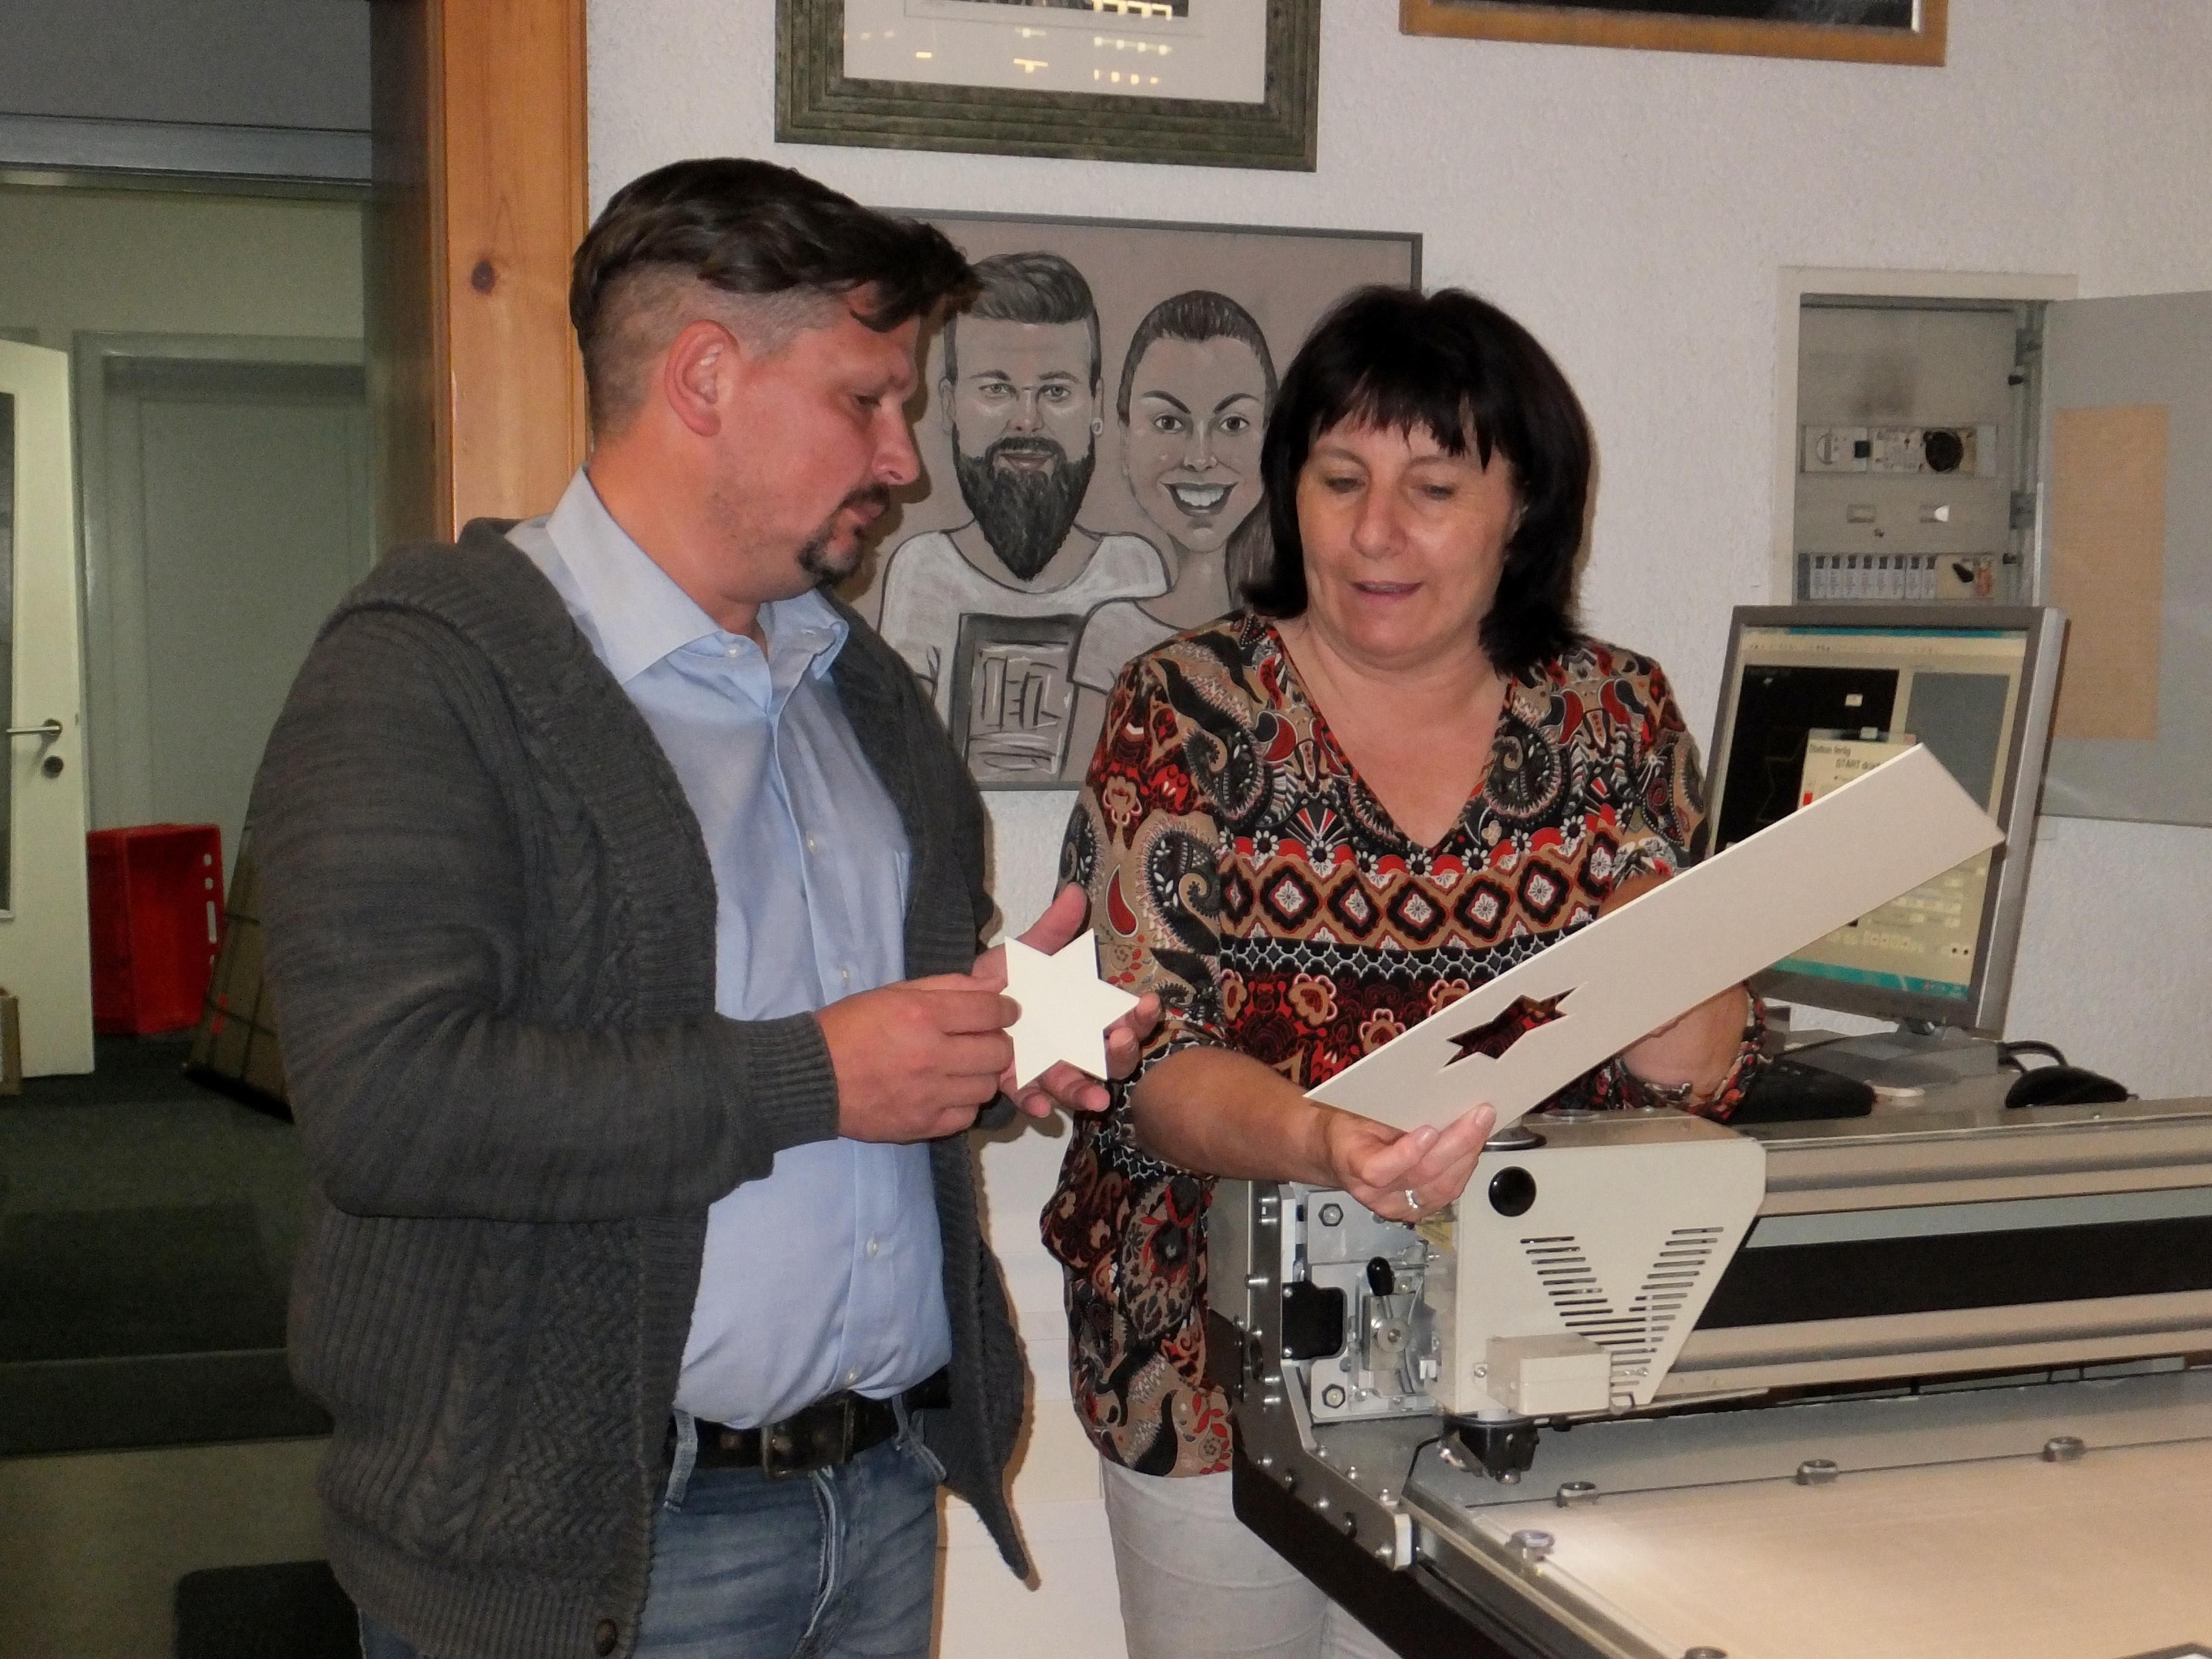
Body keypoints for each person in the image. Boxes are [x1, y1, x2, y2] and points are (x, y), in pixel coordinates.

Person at [251, 157, 1153, 1659]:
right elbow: (389, 1102)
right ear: (705, 377)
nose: (903, 459)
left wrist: (992, 1039)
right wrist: (821, 1073)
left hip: (879, 1498)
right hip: (588, 1556)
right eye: (865, 399)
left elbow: (863, 1035)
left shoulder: (856, 685)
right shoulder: (427, 669)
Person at [1042, 285, 1764, 1659]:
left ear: (1521, 509)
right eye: (1339, 480)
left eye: (1431, 489)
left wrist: (1674, 946)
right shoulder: (1188, 706)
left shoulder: (1612, 714)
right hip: (1213, 1357)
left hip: (1530, 1355)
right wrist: (1327, 1139)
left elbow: (1685, 1081)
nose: (1375, 531)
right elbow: (1145, 1061)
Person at [875, 251, 1168, 784]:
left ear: (1095, 404)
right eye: (996, 389)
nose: (1027, 421)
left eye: (1056, 391)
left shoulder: (1133, 571)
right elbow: (897, 775)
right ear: (950, 404)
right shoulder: (924, 572)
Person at [1067, 289, 1276, 778]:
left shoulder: (1306, 631)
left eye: (1233, 423)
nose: (1200, 457)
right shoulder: (1115, 635)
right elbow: (1084, 799)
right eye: (1168, 422)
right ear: (1124, 439)